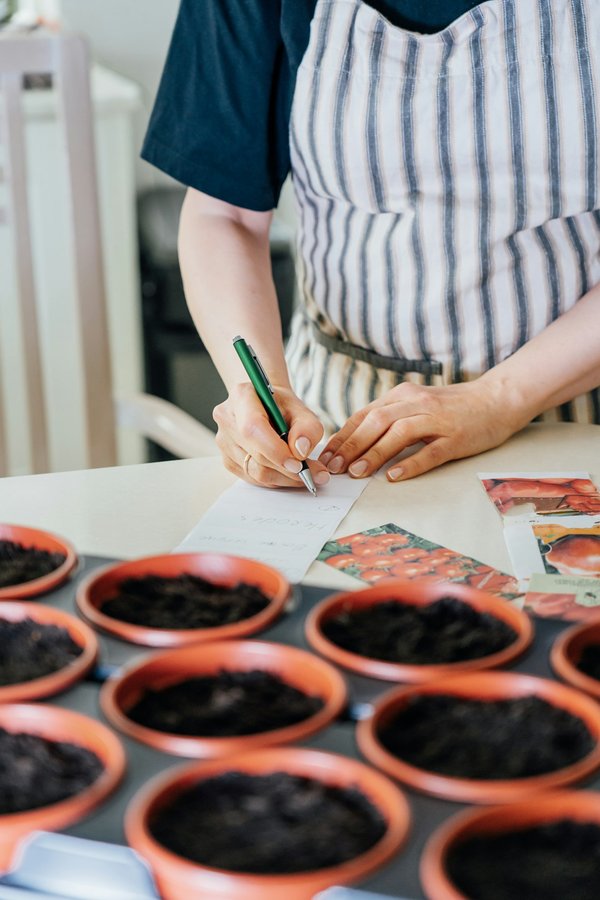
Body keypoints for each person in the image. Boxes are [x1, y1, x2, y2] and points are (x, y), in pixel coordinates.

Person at [143, 0, 600, 491]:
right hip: (339, 435)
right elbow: (224, 213)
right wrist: (260, 393)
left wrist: (500, 398)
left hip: (571, 424)